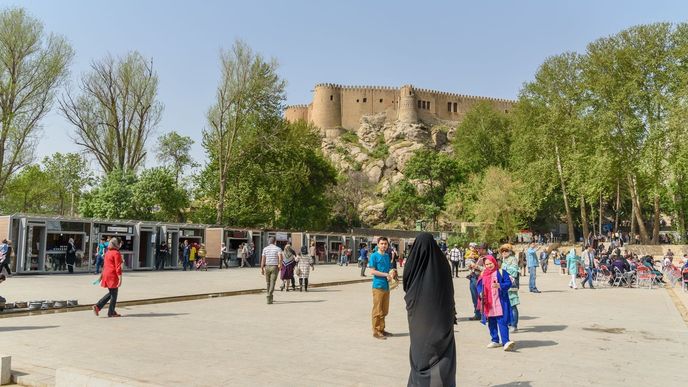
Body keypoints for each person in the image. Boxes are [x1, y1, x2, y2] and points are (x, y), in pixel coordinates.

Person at [403, 233, 456, 387]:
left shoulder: (414, 263)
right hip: (442, 321)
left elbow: (407, 284)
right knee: (442, 353)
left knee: (421, 354)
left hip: (419, 320)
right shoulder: (442, 263)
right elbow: (449, 291)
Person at [477, 255, 515, 351]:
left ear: (494, 262)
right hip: (488, 303)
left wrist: (500, 285)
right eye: (486, 264)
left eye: (490, 263)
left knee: (502, 321)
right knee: (491, 322)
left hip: (500, 302)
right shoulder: (483, 274)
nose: (489, 266)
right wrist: (480, 292)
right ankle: (495, 340)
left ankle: (506, 342)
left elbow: (508, 283)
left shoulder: (501, 272)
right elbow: (479, 285)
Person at [368, 236, 393, 340]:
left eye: (385, 244)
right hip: (378, 286)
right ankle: (376, 331)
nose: (383, 245)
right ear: (378, 244)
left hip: (386, 286)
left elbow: (389, 270)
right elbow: (372, 271)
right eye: (382, 243)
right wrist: (385, 274)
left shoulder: (387, 256)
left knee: (384, 310)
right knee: (377, 310)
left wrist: (392, 274)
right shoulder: (374, 256)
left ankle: (382, 329)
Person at [93, 237, 123, 317]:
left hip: (106, 274)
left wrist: (101, 276)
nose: (120, 245)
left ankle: (101, 307)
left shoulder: (107, 252)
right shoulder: (116, 253)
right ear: (117, 244)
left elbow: (105, 265)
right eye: (120, 244)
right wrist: (120, 279)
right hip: (112, 275)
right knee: (114, 294)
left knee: (112, 293)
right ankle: (107, 310)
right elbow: (118, 267)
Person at [500, 244, 520, 333]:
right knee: (506, 304)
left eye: (506, 251)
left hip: (511, 285)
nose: (504, 252)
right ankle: (509, 323)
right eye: (502, 251)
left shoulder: (513, 259)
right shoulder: (504, 259)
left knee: (512, 305)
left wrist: (504, 269)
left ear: (510, 251)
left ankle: (514, 325)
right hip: (504, 284)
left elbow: (515, 271)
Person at [260, 237, 283, 304]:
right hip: (274, 267)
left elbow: (263, 259)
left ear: (269, 242)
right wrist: (280, 265)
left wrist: (262, 268)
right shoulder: (278, 249)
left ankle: (269, 298)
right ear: (275, 242)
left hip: (267, 266)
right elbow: (280, 258)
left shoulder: (265, 249)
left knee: (268, 282)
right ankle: (269, 295)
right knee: (273, 282)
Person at [465, 242, 482, 321]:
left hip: (479, 277)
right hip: (472, 277)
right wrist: (469, 264)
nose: (473, 248)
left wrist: (475, 265)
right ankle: (477, 313)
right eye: (471, 247)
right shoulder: (469, 254)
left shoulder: (482, 256)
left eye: (475, 247)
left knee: (481, 296)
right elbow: (467, 264)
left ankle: (485, 314)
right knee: (474, 296)